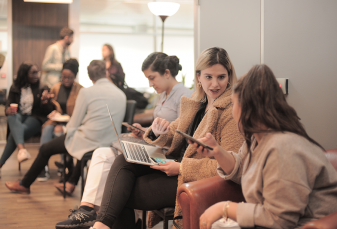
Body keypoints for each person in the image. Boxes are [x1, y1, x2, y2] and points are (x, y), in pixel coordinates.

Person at [89, 47, 245, 229]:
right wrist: (157, 131)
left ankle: (101, 226)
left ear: (229, 76)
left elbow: (230, 165)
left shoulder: (231, 111)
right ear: (199, 77)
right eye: (209, 77)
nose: (215, 84)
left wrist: (181, 167)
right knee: (123, 161)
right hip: (175, 165)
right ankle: (102, 225)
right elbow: (174, 131)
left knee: (120, 194)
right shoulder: (197, 102)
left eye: (221, 77)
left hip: (192, 178)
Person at [196, 64, 337, 229]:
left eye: (233, 104)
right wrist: (218, 152)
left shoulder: (284, 147)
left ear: (247, 108)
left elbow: (280, 219)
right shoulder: (256, 140)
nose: (233, 111)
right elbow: (245, 171)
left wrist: (224, 208)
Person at [55, 52, 193, 229]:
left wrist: (154, 135)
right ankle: (87, 208)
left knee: (114, 171)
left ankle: (97, 218)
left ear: (167, 73)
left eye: (152, 78)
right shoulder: (164, 94)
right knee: (101, 153)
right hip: (155, 148)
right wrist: (144, 131)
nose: (150, 84)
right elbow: (162, 129)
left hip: (165, 157)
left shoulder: (185, 97)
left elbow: (178, 136)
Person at [4, 60, 127, 194]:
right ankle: (70, 183)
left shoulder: (86, 92)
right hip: (111, 142)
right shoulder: (121, 94)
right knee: (79, 142)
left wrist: (65, 131)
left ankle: (25, 184)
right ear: (106, 72)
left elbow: (74, 123)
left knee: (47, 148)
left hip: (90, 140)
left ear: (90, 76)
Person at [0, 63, 53, 174]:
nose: (36, 75)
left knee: (15, 133)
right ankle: (22, 150)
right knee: (12, 116)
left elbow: (47, 112)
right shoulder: (15, 87)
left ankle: (7, 159)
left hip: (35, 118)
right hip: (18, 117)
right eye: (32, 73)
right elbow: (8, 105)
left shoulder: (43, 87)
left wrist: (44, 102)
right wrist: (7, 110)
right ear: (24, 74)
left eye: (37, 72)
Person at [37, 58, 84, 182]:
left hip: (72, 122)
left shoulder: (80, 90)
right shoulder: (56, 87)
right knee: (47, 128)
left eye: (70, 77)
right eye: (63, 77)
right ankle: (42, 165)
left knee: (59, 131)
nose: (66, 80)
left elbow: (81, 112)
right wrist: (45, 102)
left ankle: (64, 165)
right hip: (56, 120)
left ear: (75, 76)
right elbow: (48, 109)